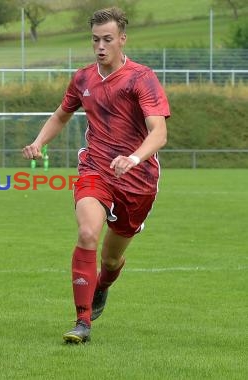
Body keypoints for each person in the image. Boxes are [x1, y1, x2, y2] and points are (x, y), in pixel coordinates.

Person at [22, 7, 169, 344]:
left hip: (139, 180)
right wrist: (38, 142)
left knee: (112, 257)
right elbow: (61, 116)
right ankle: (82, 322)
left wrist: (133, 158)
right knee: (88, 232)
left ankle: (102, 284)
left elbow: (158, 132)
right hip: (96, 169)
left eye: (107, 39)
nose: (100, 46)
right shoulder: (83, 78)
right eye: (95, 40)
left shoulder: (140, 78)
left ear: (121, 39)